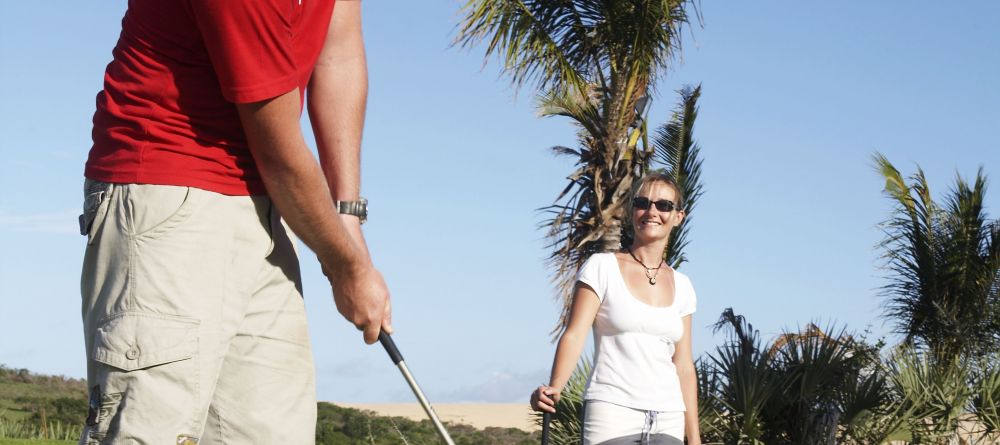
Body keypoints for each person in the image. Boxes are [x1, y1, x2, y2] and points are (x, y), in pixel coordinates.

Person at [77, 0, 390, 443]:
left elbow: (338, 52)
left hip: (267, 202)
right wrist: (347, 268)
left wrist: (348, 219)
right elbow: (278, 151)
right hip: (169, 193)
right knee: (152, 429)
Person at [530, 172, 701, 445]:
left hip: (669, 417)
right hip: (612, 410)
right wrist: (555, 388)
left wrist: (694, 438)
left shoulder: (684, 285)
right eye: (642, 202)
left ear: (679, 216)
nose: (652, 211)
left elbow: (683, 365)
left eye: (664, 205)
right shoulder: (602, 267)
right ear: (632, 210)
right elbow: (575, 334)